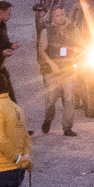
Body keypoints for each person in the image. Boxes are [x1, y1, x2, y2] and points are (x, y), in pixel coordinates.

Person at [37, 9, 77, 137]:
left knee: (70, 97)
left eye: (62, 15)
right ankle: (48, 119)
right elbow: (42, 50)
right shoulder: (47, 31)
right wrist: (51, 64)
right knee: (51, 99)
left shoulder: (72, 29)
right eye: (57, 16)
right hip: (52, 70)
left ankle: (67, 128)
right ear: (53, 18)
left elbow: (81, 43)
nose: (60, 18)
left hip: (68, 68)